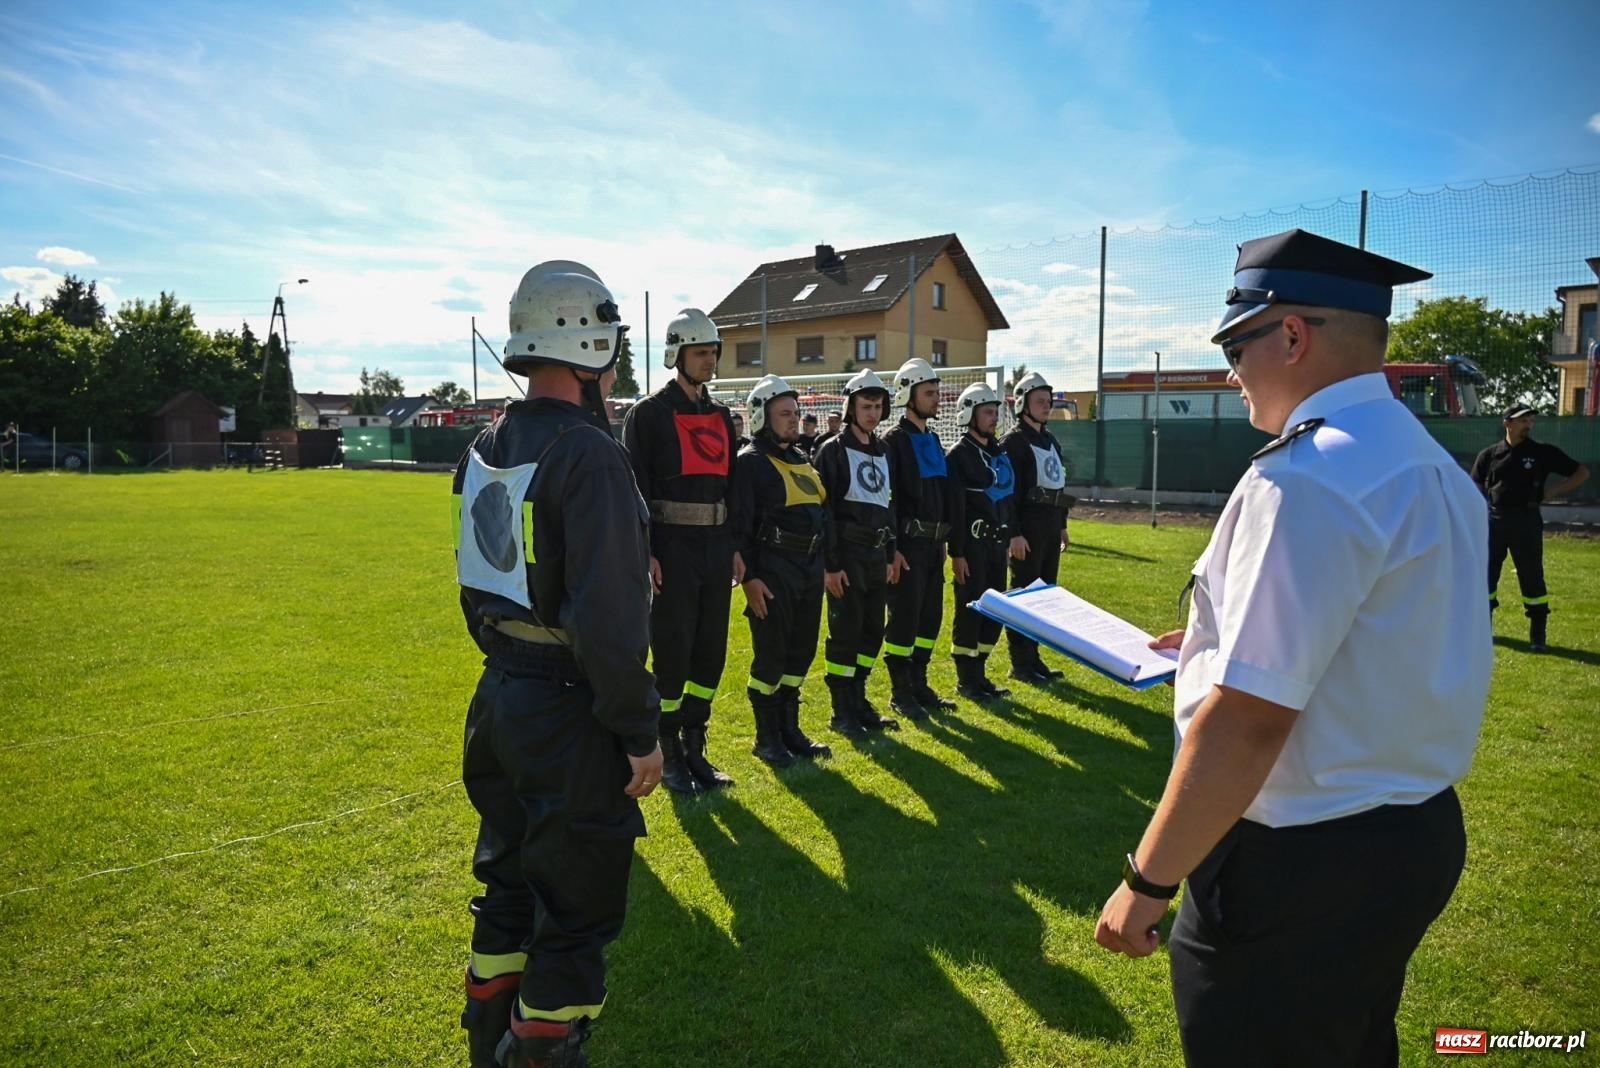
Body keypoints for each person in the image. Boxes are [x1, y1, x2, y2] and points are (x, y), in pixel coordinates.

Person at [1095, 228, 1492, 1068]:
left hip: (1295, 861)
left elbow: (1247, 721)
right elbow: (1385, 642)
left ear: (1292, 335)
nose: (1232, 372)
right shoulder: (1430, 466)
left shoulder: (1305, 479)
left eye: (1236, 346)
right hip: (1409, 836)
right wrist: (1212, 644)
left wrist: (1147, 881)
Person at [454, 261, 663, 1068]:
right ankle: (540, 1050)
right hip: (568, 714)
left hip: (499, 699)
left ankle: (487, 1044)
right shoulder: (590, 452)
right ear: (592, 339)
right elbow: (610, 624)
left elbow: (477, 586)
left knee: (506, 886)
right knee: (574, 910)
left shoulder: (485, 444)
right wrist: (640, 734)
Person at [621, 308, 742, 795]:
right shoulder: (647, 415)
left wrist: (733, 545)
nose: (709, 360)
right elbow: (635, 489)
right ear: (676, 354)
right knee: (672, 650)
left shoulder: (721, 417)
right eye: (699, 352)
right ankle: (668, 750)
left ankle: (695, 746)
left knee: (710, 650)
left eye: (712, 351)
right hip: (670, 550)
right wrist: (645, 552)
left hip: (716, 549)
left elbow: (731, 488)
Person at [730, 375, 833, 767]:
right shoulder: (750, 463)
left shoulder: (801, 459)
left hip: (809, 567)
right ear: (762, 417)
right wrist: (750, 578)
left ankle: (790, 729)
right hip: (773, 570)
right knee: (771, 655)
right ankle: (766, 736)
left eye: (795, 413)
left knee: (800, 652)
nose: (793, 420)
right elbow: (739, 528)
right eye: (784, 414)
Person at [813, 369, 901, 737]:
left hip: (877, 557)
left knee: (872, 632)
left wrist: (893, 553)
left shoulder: (883, 449)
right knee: (845, 633)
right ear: (851, 408)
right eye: (865, 406)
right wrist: (830, 566)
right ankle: (841, 709)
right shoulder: (831, 451)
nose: (872, 413)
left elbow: (889, 504)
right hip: (846, 556)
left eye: (878, 407)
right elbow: (824, 512)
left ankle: (859, 697)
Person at [1470, 404, 1589, 652]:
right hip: (1493, 521)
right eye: (1523, 420)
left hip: (1526, 520)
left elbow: (1581, 473)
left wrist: (1552, 492)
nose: (1528, 424)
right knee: (1485, 577)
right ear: (1507, 423)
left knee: (1532, 576)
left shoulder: (1542, 453)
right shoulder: (1490, 455)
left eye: (1531, 420)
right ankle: (1483, 631)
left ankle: (1537, 637)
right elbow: (1475, 484)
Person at [880, 358, 957, 719]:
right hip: (908, 547)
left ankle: (919, 681)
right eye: (929, 393)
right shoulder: (893, 441)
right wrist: (892, 550)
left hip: (932, 547)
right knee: (904, 618)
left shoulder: (933, 437)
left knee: (929, 619)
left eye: (936, 392)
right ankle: (900, 691)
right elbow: (889, 499)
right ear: (907, 396)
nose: (936, 399)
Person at [945, 382, 1019, 701]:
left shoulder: (998, 451)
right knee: (970, 610)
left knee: (994, 612)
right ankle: (967, 679)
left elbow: (1008, 499)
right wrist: (957, 553)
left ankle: (981, 672)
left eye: (996, 412)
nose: (994, 418)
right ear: (969, 415)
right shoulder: (959, 456)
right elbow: (956, 509)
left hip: (996, 547)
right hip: (972, 547)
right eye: (987, 412)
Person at [1002, 372, 1074, 682]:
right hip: (1026, 529)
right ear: (1022, 404)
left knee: (1044, 595)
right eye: (1039, 402)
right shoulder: (1013, 442)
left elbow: (1058, 484)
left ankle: (1034, 658)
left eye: (1048, 402)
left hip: (1048, 526)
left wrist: (1061, 525)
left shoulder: (1050, 440)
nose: (1046, 407)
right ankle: (1020, 662)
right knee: (1024, 594)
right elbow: (1008, 493)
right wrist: (1014, 532)